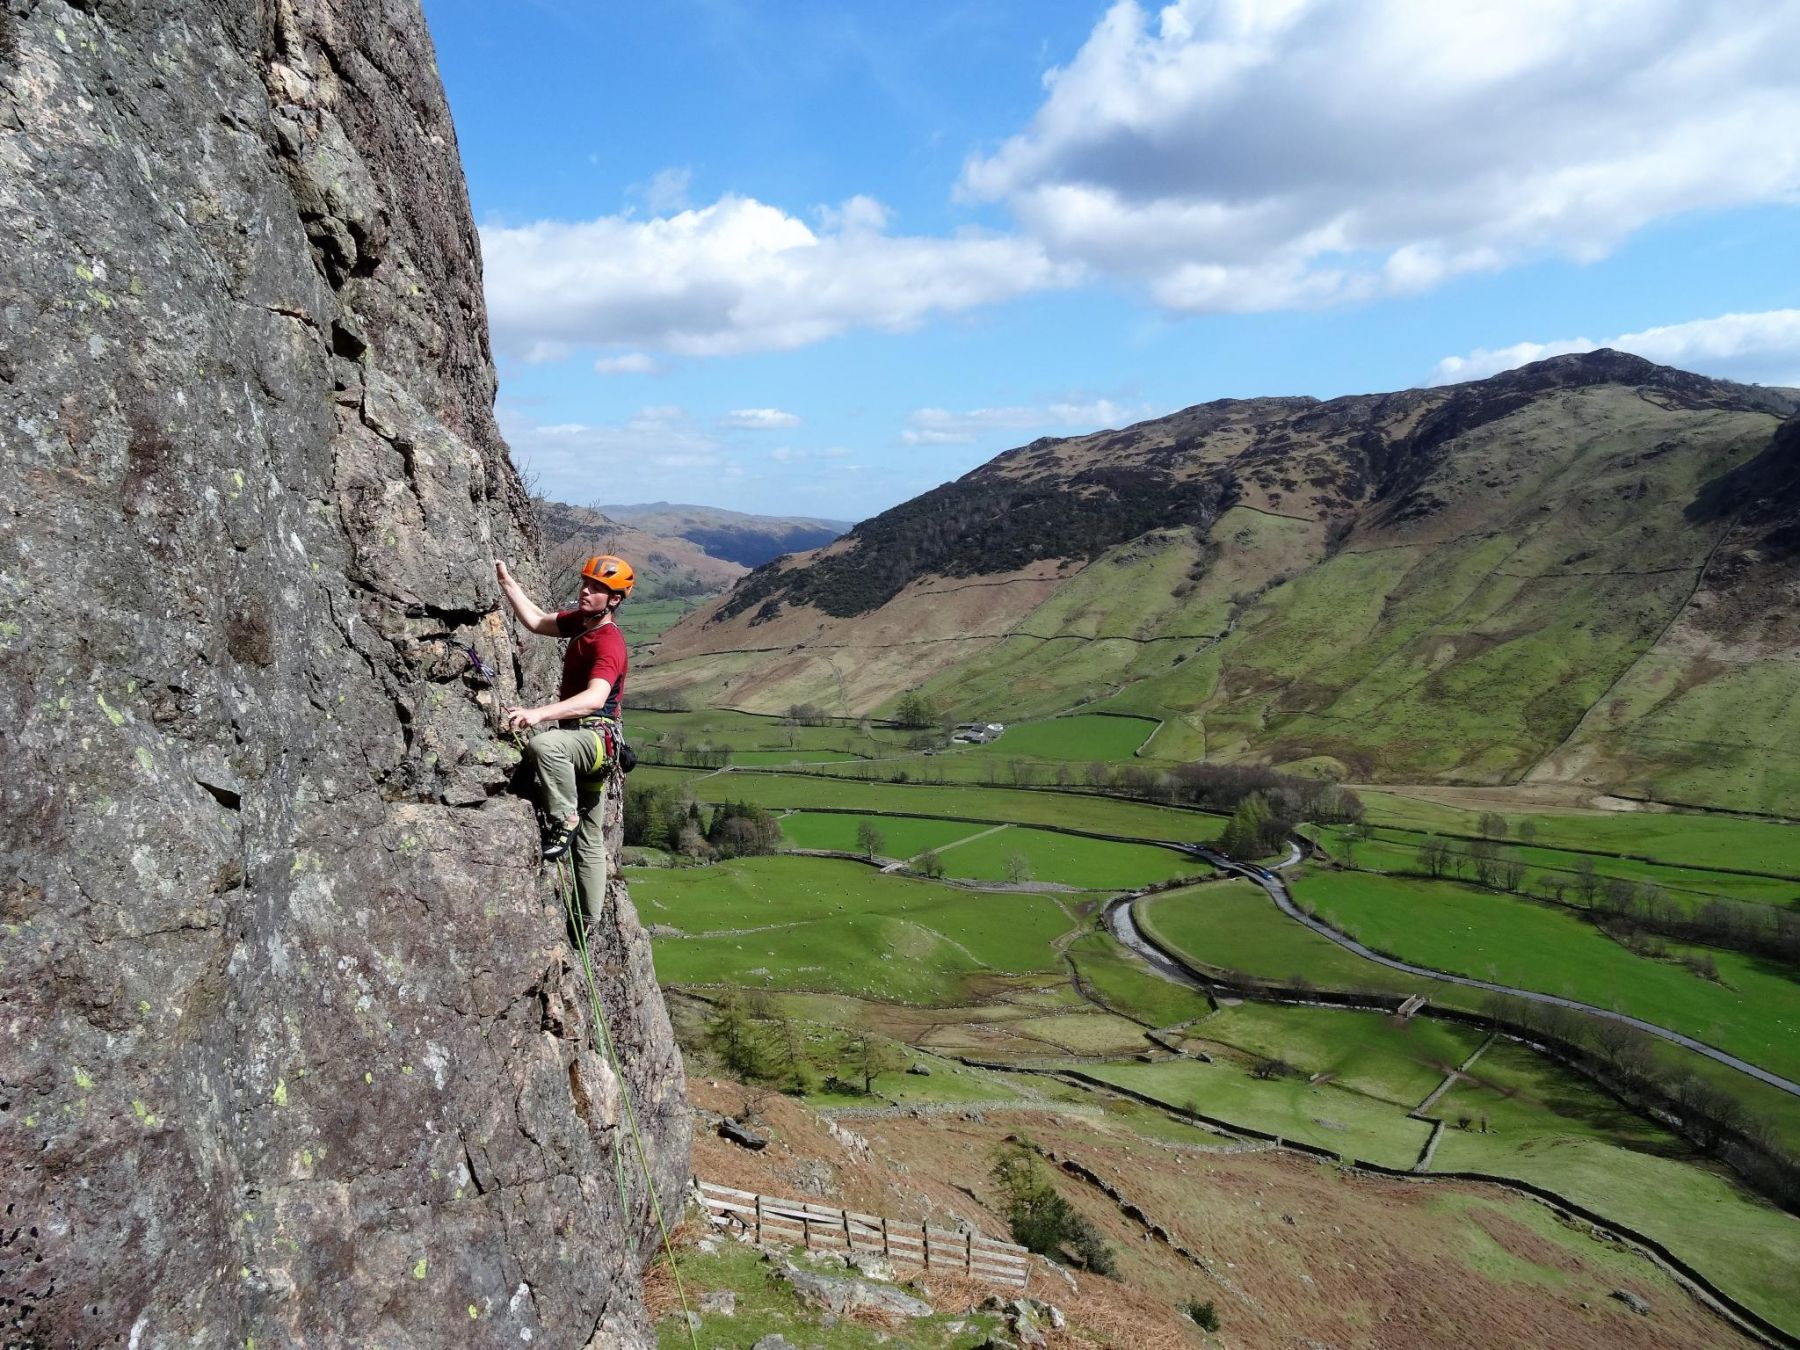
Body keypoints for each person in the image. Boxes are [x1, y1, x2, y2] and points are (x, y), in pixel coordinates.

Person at [495, 553, 635, 927]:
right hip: (593, 747)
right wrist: (507, 584)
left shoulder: (608, 642)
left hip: (592, 739)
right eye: (586, 584)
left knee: (545, 746)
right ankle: (586, 920)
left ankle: (563, 818)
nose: (586, 591)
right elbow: (538, 621)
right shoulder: (582, 623)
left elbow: (594, 699)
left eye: (597, 588)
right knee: (591, 840)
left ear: (615, 599)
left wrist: (538, 714)